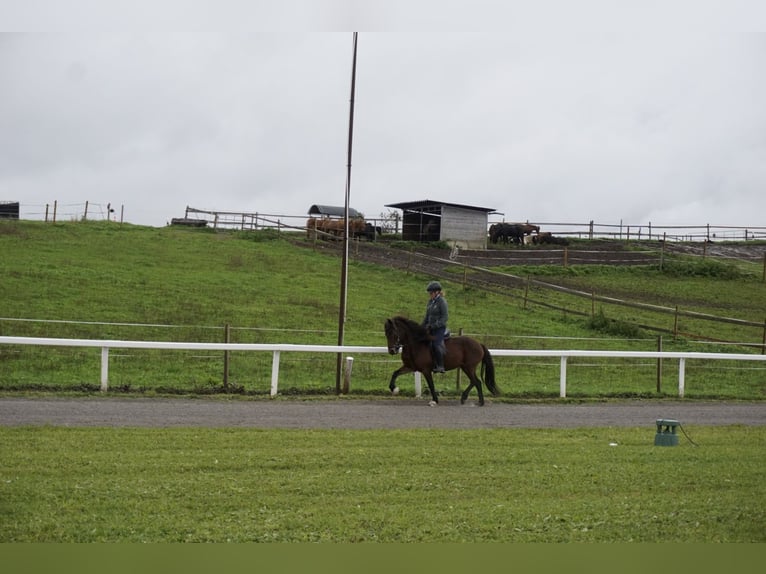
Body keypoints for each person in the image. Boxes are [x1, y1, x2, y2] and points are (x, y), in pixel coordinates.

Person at [422, 280, 449, 373]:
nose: (430, 294)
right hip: (430, 328)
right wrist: (421, 327)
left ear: (437, 292)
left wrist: (434, 325)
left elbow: (445, 317)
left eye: (431, 292)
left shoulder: (442, 302)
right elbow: (427, 316)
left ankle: (440, 366)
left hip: (439, 329)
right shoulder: (430, 302)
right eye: (429, 293)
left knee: (436, 344)